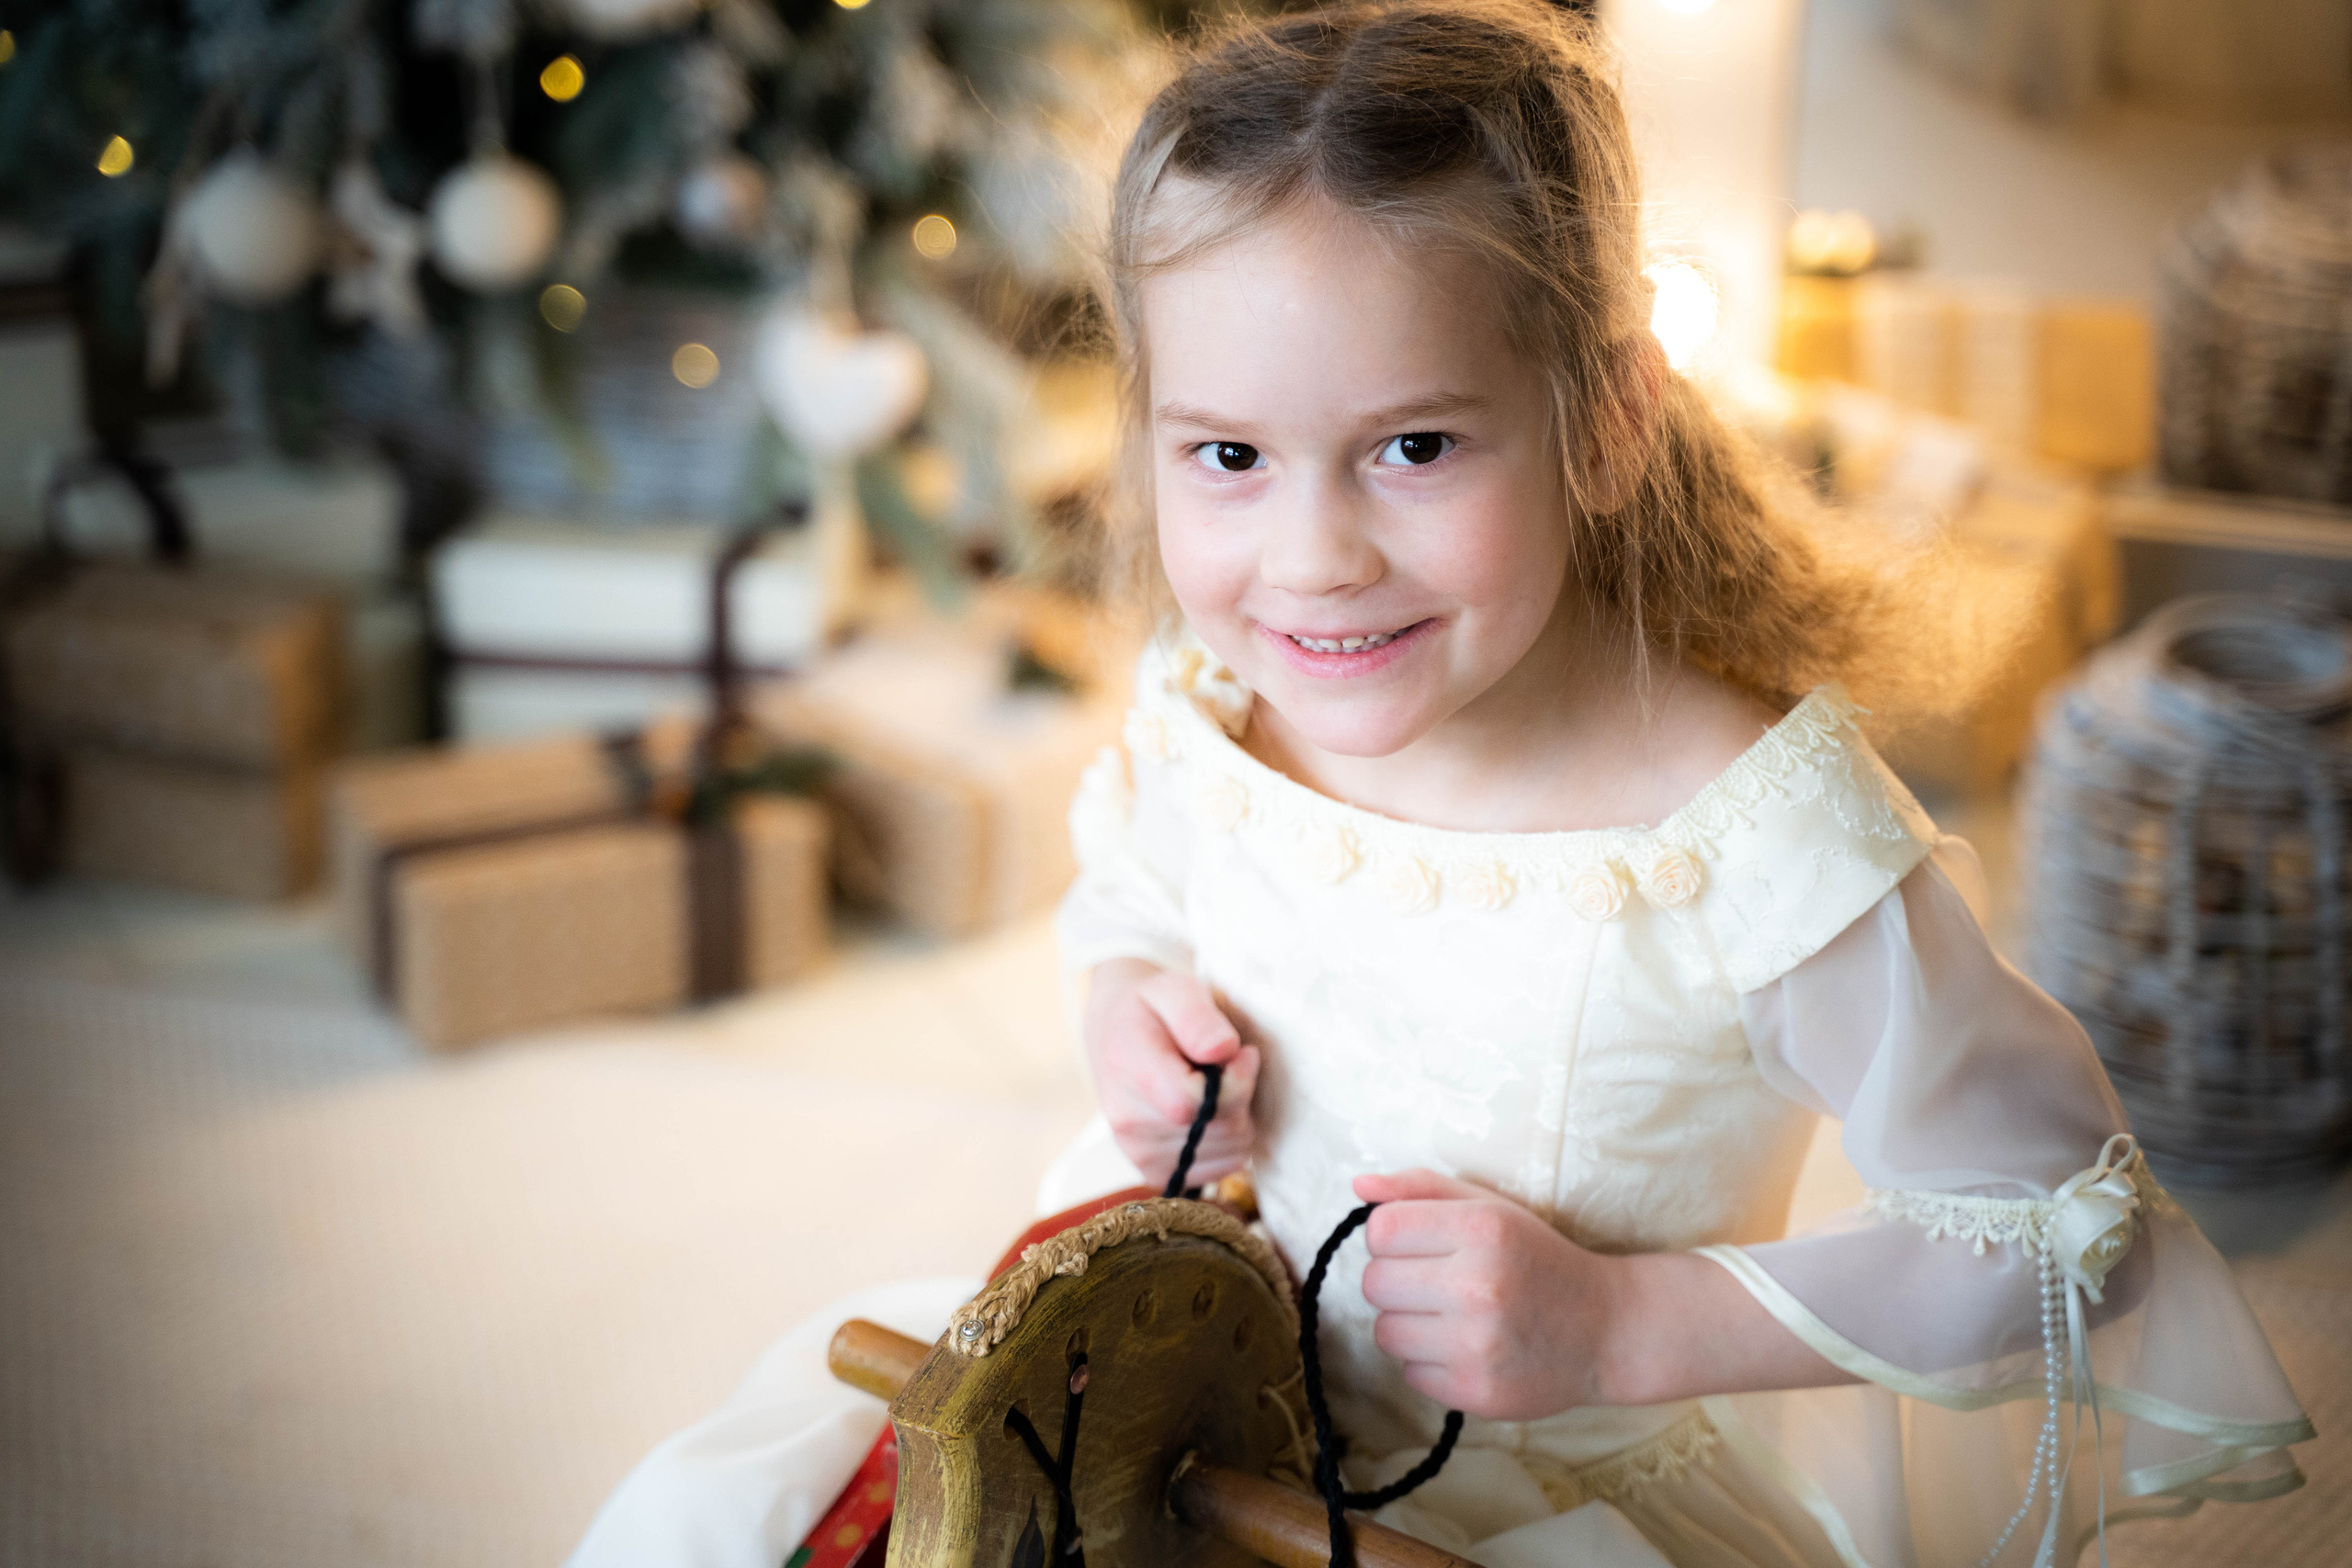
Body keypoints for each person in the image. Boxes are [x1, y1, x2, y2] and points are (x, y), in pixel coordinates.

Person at [570, 5, 2311, 1565]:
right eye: (1229, 456)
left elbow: (2061, 1236)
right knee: (731, 1515)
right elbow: (1137, 895)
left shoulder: (1745, 842)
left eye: (1413, 446)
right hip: (1170, 1402)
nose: (1313, 558)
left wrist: (1624, 1326)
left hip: (1528, 1496)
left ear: (1606, 421)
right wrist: (1125, 1006)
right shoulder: (1222, 708)